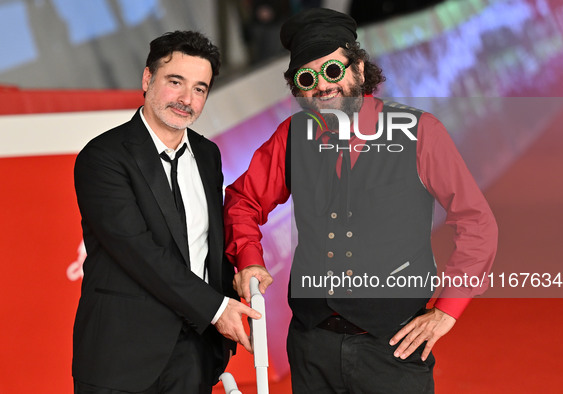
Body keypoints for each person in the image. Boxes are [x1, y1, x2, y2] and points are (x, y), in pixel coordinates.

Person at [224, 8, 498, 393]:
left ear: (359, 68)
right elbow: (242, 201)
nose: (322, 86)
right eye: (308, 78)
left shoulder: (421, 133)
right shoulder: (292, 136)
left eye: (333, 71)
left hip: (394, 349)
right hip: (311, 345)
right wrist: (249, 260)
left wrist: (447, 311)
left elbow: (477, 224)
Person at [72, 30, 260, 394]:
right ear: (147, 79)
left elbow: (208, 244)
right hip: (121, 357)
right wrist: (218, 309)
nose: (187, 99)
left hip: (194, 354)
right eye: (176, 82)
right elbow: (138, 251)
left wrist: (238, 277)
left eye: (200, 89)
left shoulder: (208, 155)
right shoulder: (103, 157)